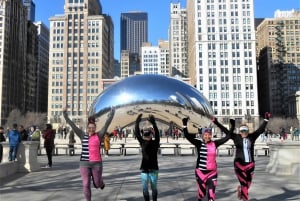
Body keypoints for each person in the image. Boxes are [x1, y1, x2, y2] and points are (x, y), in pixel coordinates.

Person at [213, 112, 271, 201]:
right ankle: (245, 198)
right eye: (242, 131)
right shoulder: (236, 137)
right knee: (244, 183)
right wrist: (216, 122)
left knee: (248, 183)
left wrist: (266, 119)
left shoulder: (252, 137)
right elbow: (226, 131)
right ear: (240, 132)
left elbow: (260, 129)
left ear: (248, 131)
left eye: (245, 131)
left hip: (250, 164)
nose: (244, 133)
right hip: (239, 164)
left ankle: (241, 190)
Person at [63, 107, 115, 201]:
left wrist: (112, 113)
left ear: (95, 128)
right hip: (84, 164)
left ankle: (100, 182)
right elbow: (73, 125)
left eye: (93, 128)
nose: (91, 129)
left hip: (96, 163)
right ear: (87, 128)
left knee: (97, 184)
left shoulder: (99, 135)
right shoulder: (82, 135)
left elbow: (107, 124)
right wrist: (65, 114)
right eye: (89, 128)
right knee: (86, 184)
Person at [182, 117, 233, 201]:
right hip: (200, 173)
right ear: (202, 136)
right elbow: (187, 136)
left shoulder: (215, 143)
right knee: (202, 194)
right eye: (205, 135)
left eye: (209, 134)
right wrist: (184, 125)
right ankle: (200, 197)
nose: (207, 136)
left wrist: (232, 126)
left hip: (212, 173)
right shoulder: (199, 143)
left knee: (211, 195)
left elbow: (228, 137)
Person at [134, 114, 160, 201]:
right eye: (145, 136)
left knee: (154, 188)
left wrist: (154, 123)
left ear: (150, 135)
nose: (146, 137)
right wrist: (137, 122)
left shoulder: (155, 143)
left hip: (153, 169)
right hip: (144, 169)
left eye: (148, 136)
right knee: (145, 189)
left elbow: (158, 135)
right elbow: (137, 133)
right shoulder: (142, 142)